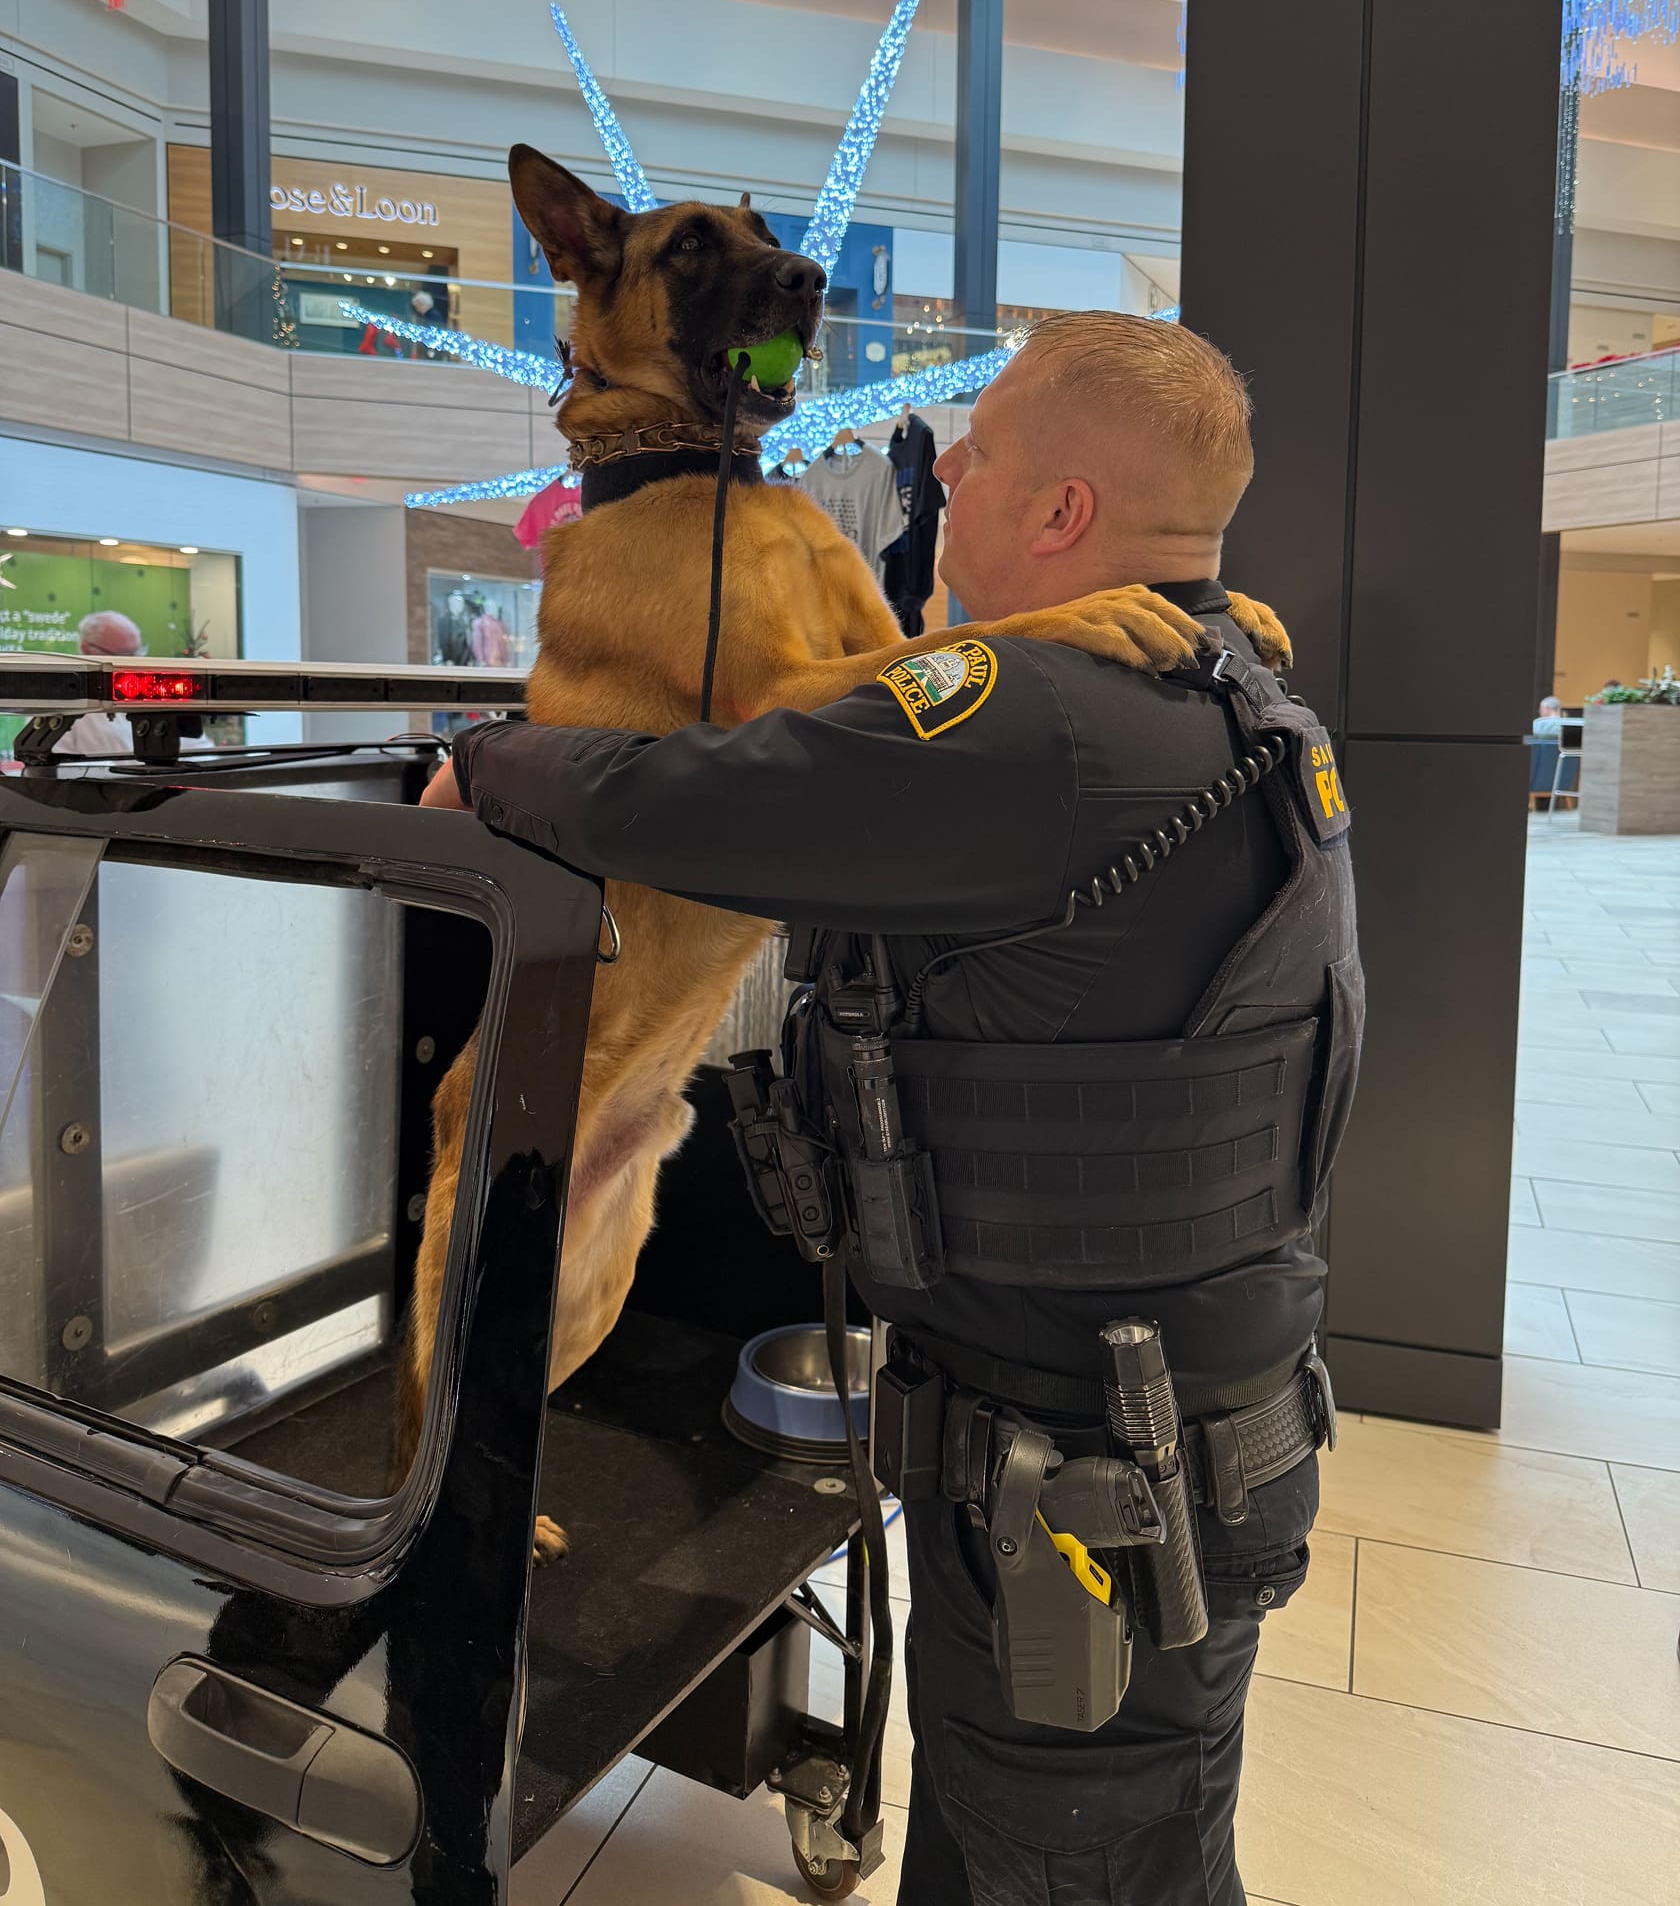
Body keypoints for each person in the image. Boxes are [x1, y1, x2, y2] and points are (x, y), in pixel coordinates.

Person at [422, 311, 1361, 1905]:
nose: (950, 474)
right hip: (1177, 1425)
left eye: (978, 451)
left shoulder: (1024, 724)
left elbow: (682, 797)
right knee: (1115, 1844)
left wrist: (489, 760)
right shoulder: (1238, 686)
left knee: (1059, 1865)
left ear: (1062, 512)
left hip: (1087, 1472)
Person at [54, 611, 212, 759]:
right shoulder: (63, 705)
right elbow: (54, 771)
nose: (135, 662)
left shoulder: (160, 690)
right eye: (125, 655)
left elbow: (201, 751)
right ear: (87, 650)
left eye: (138, 652)